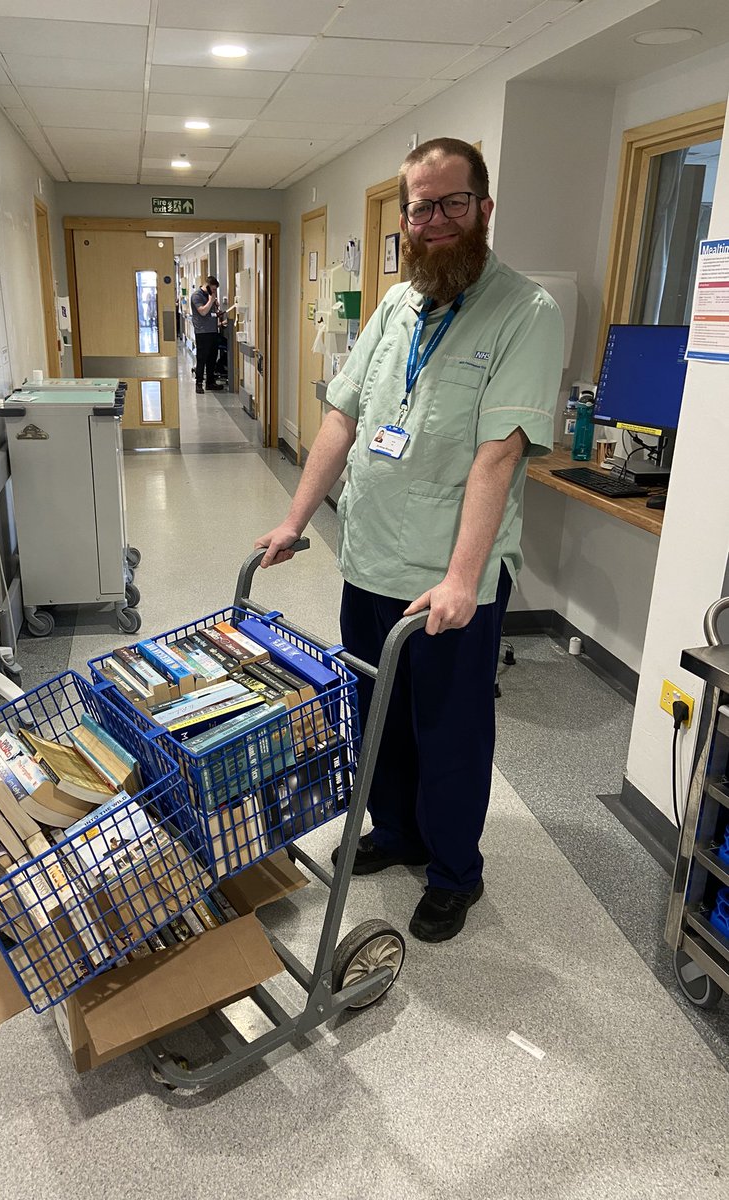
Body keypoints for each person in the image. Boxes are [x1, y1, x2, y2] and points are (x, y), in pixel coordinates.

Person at [256, 138, 563, 943]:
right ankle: (394, 830)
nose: (433, 221)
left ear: (484, 209)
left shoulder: (526, 312)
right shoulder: (396, 306)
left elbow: (500, 454)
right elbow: (342, 416)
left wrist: (464, 579)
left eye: (451, 204)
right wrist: (296, 518)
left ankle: (455, 869)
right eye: (419, 207)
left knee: (450, 729)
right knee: (377, 709)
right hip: (373, 556)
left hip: (450, 578)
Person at [190, 274, 223, 395]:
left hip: (213, 331)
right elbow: (203, 312)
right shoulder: (196, 296)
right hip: (202, 332)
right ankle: (199, 383)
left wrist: (217, 311)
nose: (215, 292)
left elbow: (210, 313)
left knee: (212, 358)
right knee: (202, 359)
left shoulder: (210, 296)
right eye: (213, 289)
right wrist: (211, 300)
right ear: (207, 286)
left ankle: (210, 382)